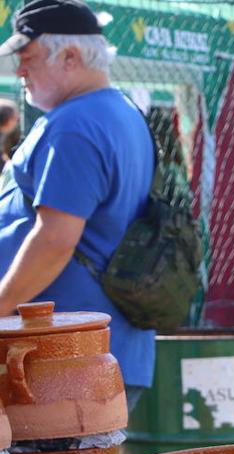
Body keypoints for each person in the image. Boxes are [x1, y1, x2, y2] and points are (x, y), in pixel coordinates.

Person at [0, 0, 155, 409]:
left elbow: (55, 239)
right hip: (91, 352)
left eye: (27, 58)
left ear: (69, 56)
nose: (19, 72)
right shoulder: (119, 111)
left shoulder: (76, 124)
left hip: (61, 359)